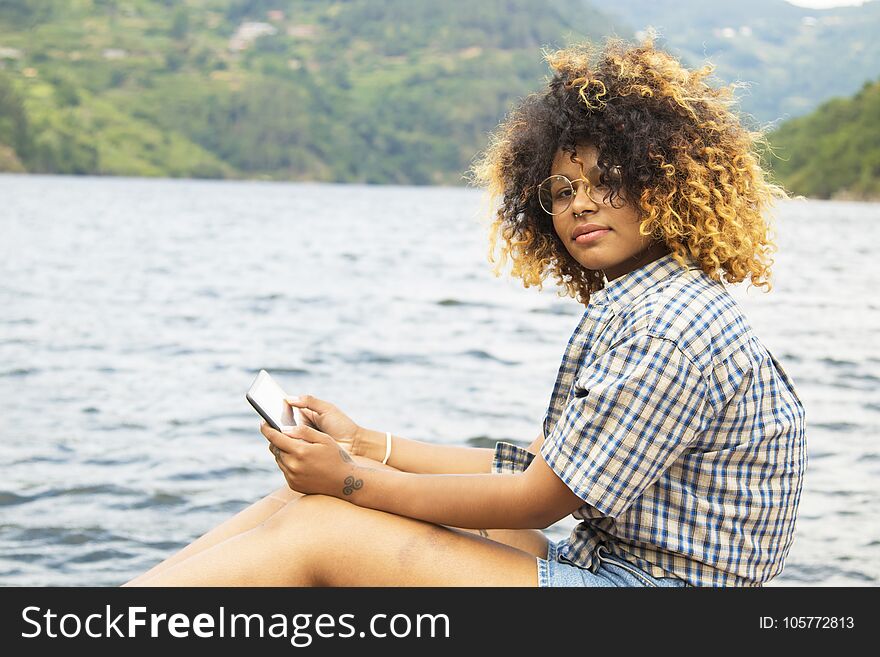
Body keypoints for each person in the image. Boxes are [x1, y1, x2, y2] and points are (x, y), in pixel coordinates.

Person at [124, 38, 806, 588]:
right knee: (312, 504)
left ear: (667, 185)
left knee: (321, 531)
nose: (580, 204)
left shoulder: (667, 325)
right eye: (562, 189)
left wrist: (356, 479)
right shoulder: (654, 300)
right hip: (605, 569)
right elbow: (539, 464)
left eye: (608, 180)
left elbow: (539, 499)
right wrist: (364, 446)